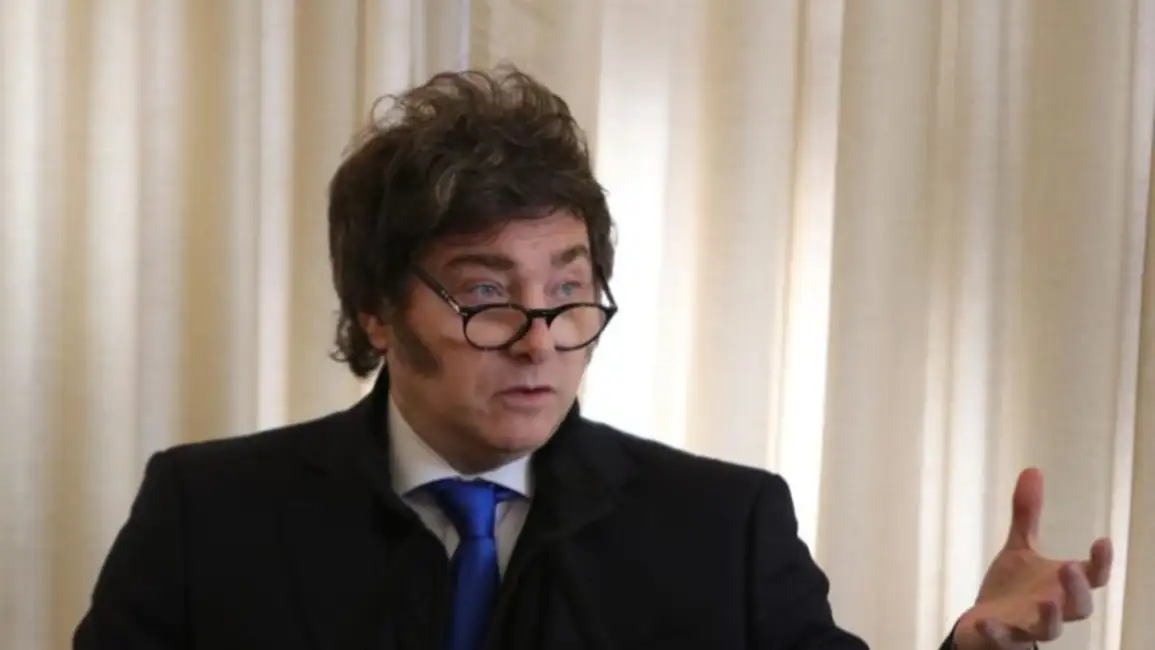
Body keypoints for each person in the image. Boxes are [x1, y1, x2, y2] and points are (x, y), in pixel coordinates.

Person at [73, 66, 1113, 650]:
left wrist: (968, 647)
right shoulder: (208, 515)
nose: (540, 339)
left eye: (568, 292)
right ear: (377, 312)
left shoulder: (723, 527)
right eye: (487, 296)